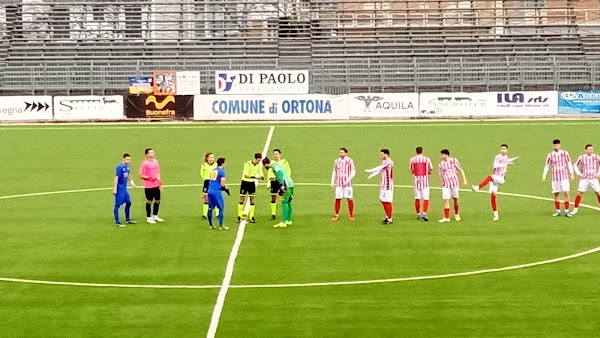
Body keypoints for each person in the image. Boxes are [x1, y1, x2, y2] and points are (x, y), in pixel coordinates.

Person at [472, 144, 519, 221]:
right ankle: (496, 215)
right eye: (501, 149)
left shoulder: (506, 157)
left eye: (504, 149)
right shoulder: (498, 157)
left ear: (507, 150)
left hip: (500, 178)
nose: (503, 150)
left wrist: (513, 159)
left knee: (489, 177)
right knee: (493, 196)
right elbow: (495, 165)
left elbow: (507, 161)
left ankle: (477, 187)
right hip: (495, 178)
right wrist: (507, 163)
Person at [542, 139, 574, 217]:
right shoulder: (550, 155)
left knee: (566, 192)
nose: (556, 146)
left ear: (560, 145)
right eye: (554, 145)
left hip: (564, 177)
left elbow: (569, 163)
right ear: (553, 146)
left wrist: (572, 173)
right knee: (556, 194)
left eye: (557, 145)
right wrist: (544, 176)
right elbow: (547, 166)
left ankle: (567, 211)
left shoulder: (565, 153)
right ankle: (558, 210)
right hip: (555, 178)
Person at [263, 157, 294, 228]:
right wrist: (275, 178)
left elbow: (280, 173)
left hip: (286, 184)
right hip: (290, 183)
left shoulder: (274, 166)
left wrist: (281, 184)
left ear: (265, 164)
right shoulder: (277, 164)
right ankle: (288, 220)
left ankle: (283, 222)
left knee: (284, 201)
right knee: (289, 201)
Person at [365, 149, 394, 225]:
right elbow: (380, 170)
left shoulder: (389, 162)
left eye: (382, 154)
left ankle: (389, 218)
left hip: (387, 185)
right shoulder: (384, 162)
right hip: (383, 185)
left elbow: (379, 168)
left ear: (386, 154)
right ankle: (388, 216)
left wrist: (370, 170)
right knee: (382, 199)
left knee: (387, 201)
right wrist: (371, 175)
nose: (380, 156)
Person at [438, 149, 468, 223]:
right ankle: (446, 217)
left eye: (442, 155)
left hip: (454, 183)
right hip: (446, 184)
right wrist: (442, 183)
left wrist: (464, 180)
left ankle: (456, 214)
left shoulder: (454, 161)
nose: (441, 156)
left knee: (455, 200)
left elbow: (461, 170)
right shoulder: (441, 164)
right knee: (446, 200)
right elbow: (441, 175)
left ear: (446, 155)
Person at [572, 144, 600, 215]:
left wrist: (599, 173)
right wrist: (579, 174)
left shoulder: (596, 157)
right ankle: (575, 209)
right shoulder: (582, 157)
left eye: (592, 149)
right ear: (586, 150)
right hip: (584, 179)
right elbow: (575, 165)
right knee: (579, 193)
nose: (591, 151)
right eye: (590, 149)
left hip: (593, 178)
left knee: (598, 193)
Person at [140, 148, 164, 224]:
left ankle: (155, 215)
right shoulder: (144, 163)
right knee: (149, 201)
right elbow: (141, 175)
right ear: (147, 154)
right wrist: (150, 178)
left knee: (158, 200)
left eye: (153, 152)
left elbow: (158, 172)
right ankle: (148, 217)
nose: (153, 153)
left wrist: (160, 182)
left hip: (156, 185)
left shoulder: (156, 162)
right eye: (151, 153)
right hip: (148, 186)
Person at [239, 153, 264, 223]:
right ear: (255, 158)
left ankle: (252, 217)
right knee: (242, 199)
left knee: (252, 199)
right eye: (258, 160)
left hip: (252, 184)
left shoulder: (258, 165)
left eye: (259, 161)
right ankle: (239, 216)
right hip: (245, 182)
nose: (258, 162)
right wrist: (255, 177)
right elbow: (246, 174)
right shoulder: (247, 164)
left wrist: (262, 176)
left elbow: (261, 172)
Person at [331, 147, 356, 221]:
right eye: (339, 153)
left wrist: (348, 181)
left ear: (346, 153)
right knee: (337, 198)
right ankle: (336, 215)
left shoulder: (350, 161)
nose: (340, 154)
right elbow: (334, 171)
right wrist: (332, 181)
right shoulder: (336, 161)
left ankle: (351, 215)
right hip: (339, 184)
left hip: (348, 185)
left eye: (342, 153)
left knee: (349, 199)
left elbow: (353, 172)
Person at [113, 153, 137, 227]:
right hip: (120, 188)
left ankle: (127, 219)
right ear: (123, 159)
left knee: (129, 202)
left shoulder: (127, 166)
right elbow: (116, 178)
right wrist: (115, 189)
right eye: (127, 159)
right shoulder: (119, 167)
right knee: (117, 205)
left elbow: (128, 175)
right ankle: (117, 222)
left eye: (129, 159)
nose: (128, 161)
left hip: (124, 188)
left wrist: (132, 182)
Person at [409, 147, 433, 222]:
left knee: (417, 198)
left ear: (416, 152)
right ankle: (424, 213)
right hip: (425, 182)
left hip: (416, 181)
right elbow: (431, 168)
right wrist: (427, 172)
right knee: (426, 198)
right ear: (422, 151)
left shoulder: (412, 159)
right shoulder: (427, 159)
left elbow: (411, 170)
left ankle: (418, 214)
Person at [267, 149, 292, 220]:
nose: (275, 155)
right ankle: (273, 214)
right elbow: (270, 173)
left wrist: (286, 180)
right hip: (274, 181)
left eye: (276, 154)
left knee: (284, 198)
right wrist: (268, 183)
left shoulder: (284, 162)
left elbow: (288, 171)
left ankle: (286, 214)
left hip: (282, 182)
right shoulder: (272, 163)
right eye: (274, 154)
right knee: (273, 197)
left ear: (280, 154)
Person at [207, 158, 230, 230]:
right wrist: (226, 189)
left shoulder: (213, 170)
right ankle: (221, 225)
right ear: (223, 163)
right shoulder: (222, 172)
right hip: (216, 191)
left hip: (210, 190)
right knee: (221, 208)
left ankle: (211, 225)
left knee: (210, 208)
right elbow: (222, 183)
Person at [201, 152, 218, 220]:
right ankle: (205, 214)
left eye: (213, 157)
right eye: (210, 157)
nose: (212, 159)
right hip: (207, 182)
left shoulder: (216, 165)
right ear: (207, 158)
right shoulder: (204, 165)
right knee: (206, 198)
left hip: (214, 182)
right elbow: (202, 174)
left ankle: (217, 213)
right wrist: (205, 179)